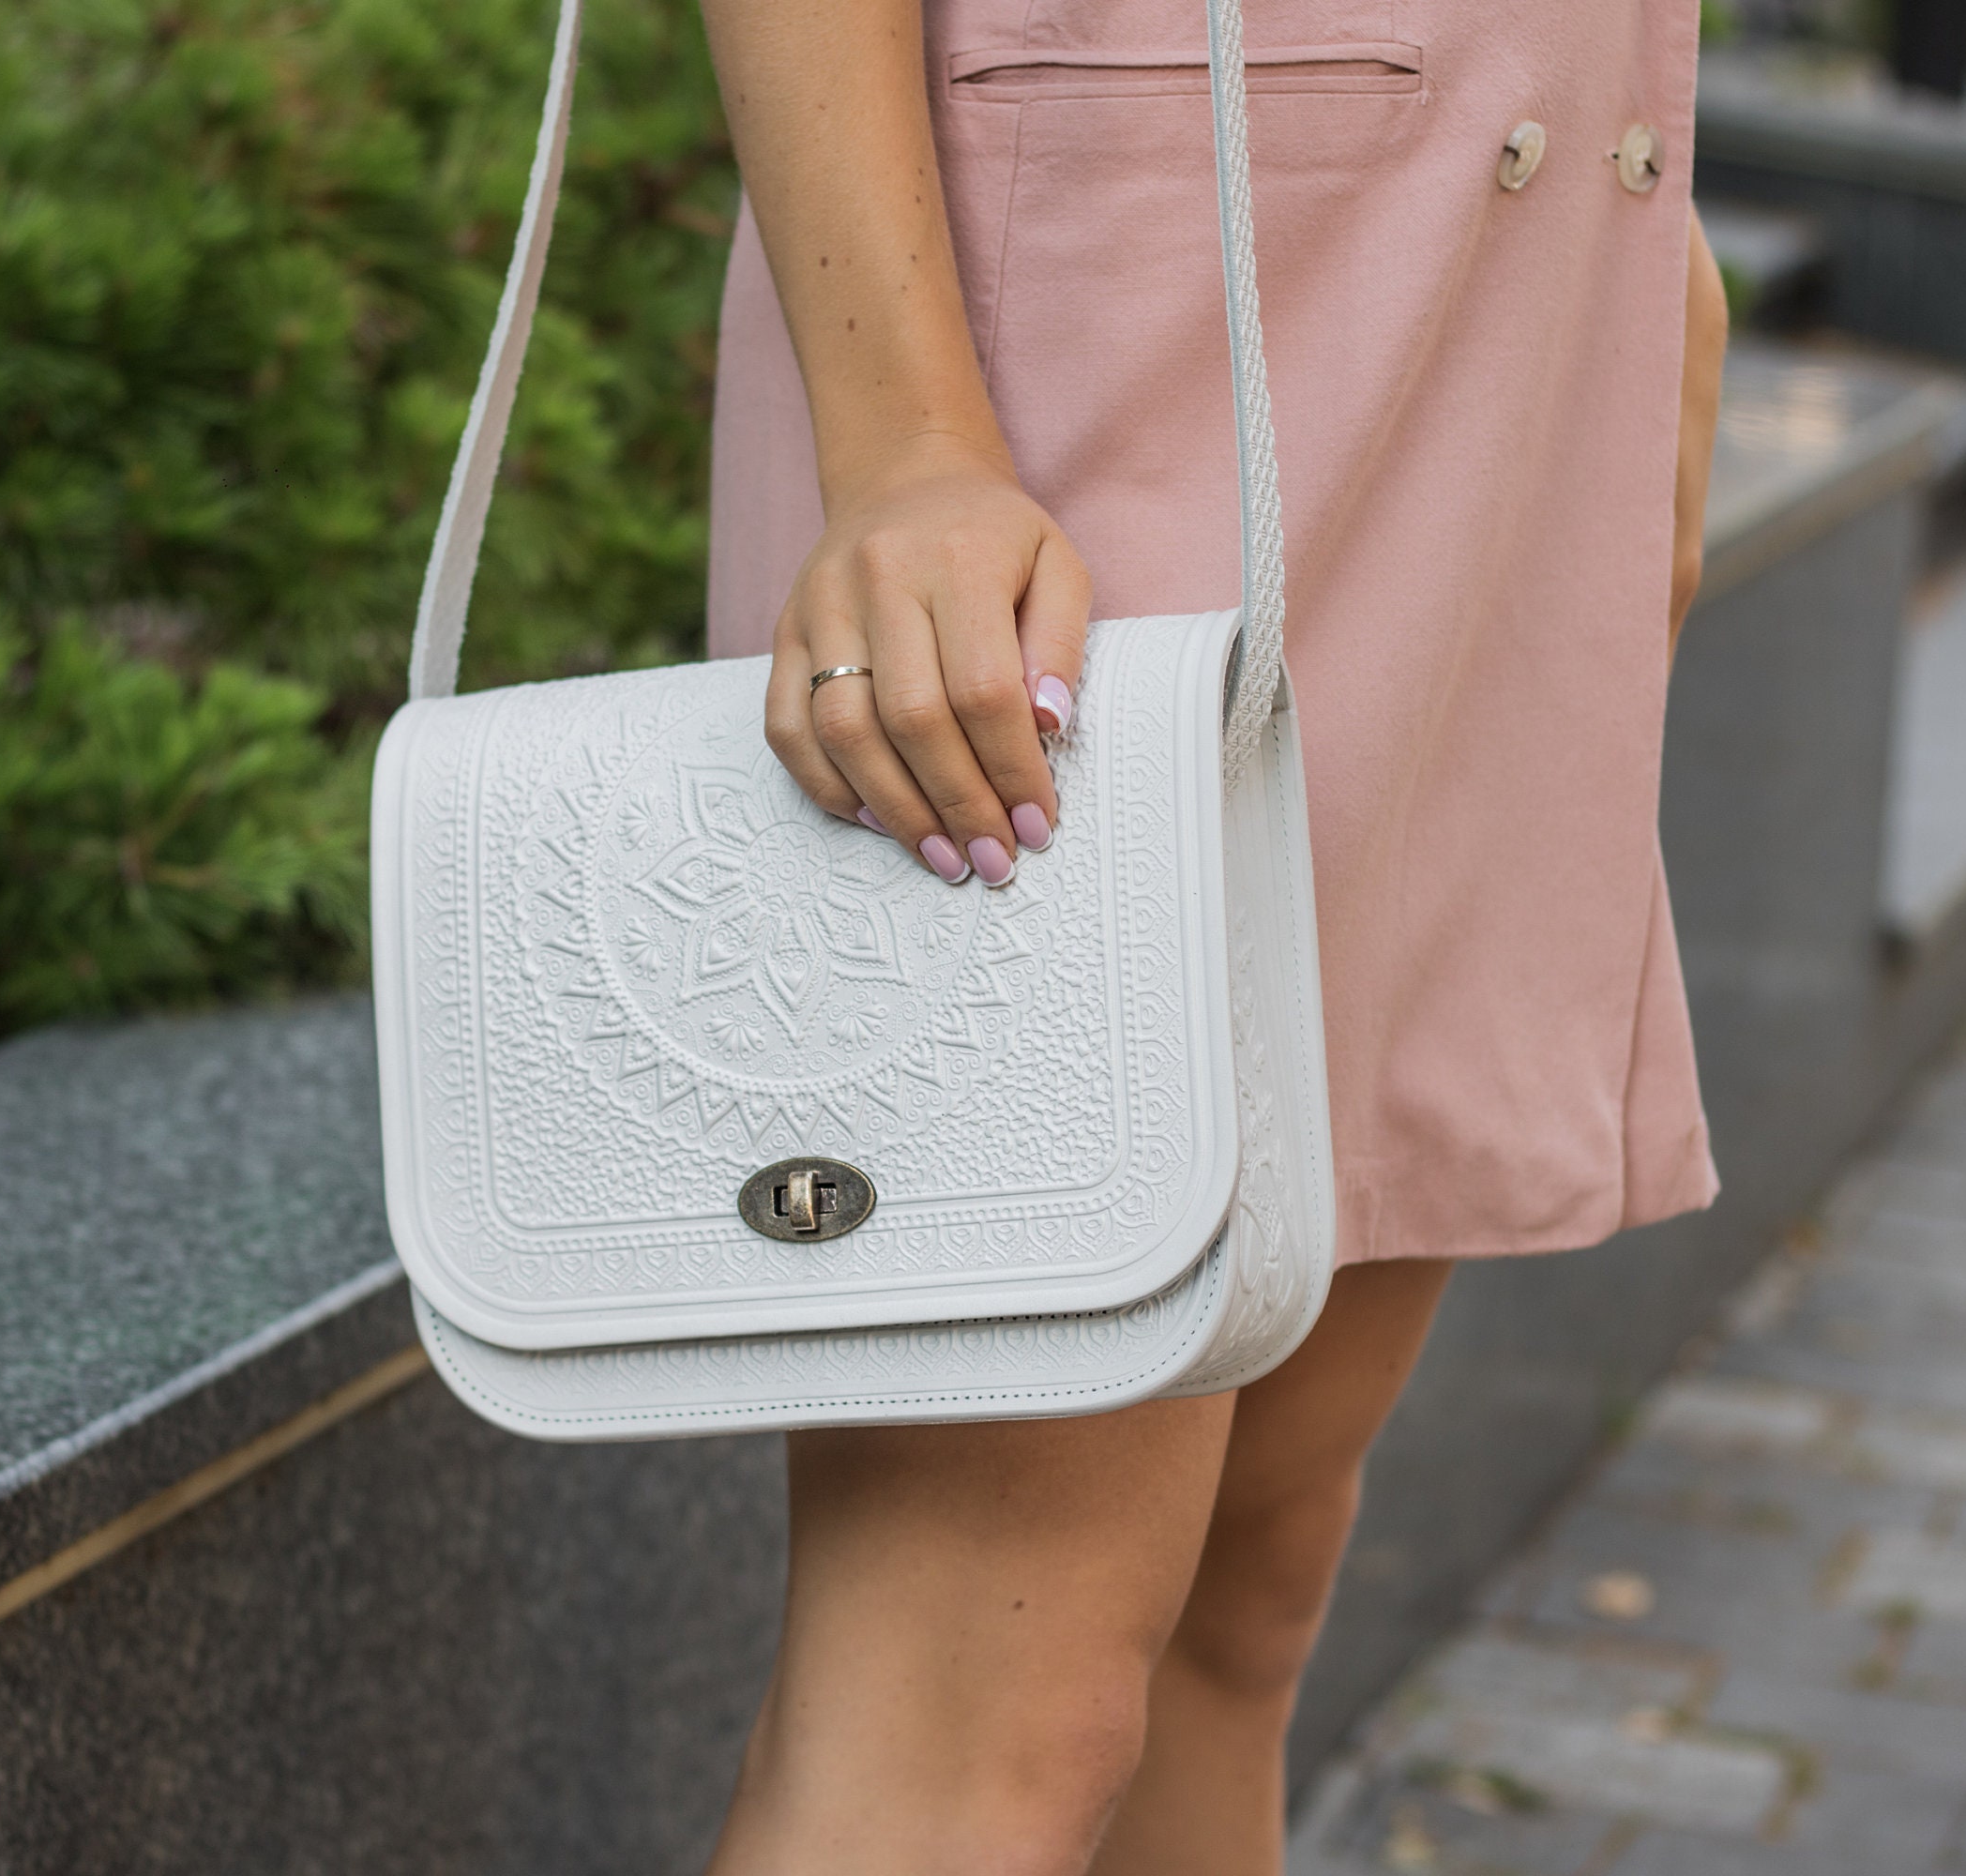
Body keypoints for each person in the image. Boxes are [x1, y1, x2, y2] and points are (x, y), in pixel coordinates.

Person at [692, 1, 1731, 1869]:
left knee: (1247, 1594)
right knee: (980, 1705)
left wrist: (1660, 231)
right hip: (1106, 317)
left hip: (1521, 258)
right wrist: (907, 441)